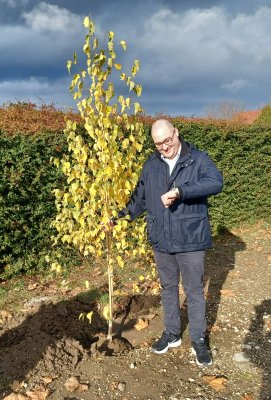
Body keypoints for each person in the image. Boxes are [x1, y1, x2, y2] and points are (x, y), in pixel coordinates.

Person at [113, 119, 223, 366]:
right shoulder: (151, 165)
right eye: (158, 144)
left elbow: (215, 182)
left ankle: (198, 340)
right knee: (168, 288)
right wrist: (117, 218)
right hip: (161, 238)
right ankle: (172, 333)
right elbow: (139, 199)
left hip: (191, 238)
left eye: (167, 140)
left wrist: (181, 191)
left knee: (194, 291)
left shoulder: (197, 159)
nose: (164, 147)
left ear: (176, 133)